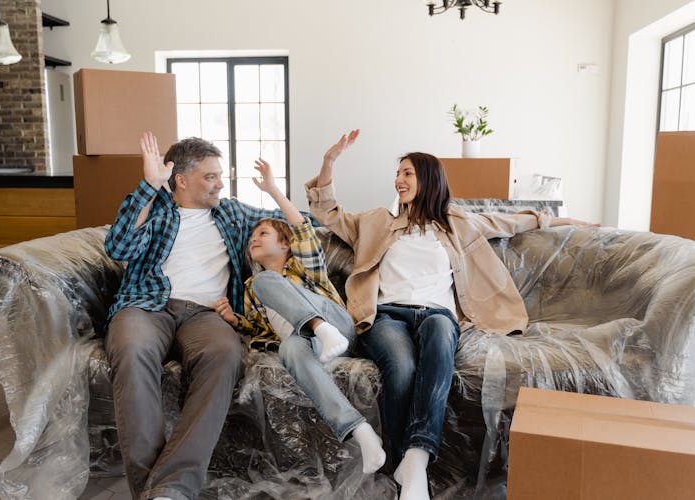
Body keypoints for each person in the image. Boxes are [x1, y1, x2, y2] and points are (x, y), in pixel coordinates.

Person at [305, 130, 595, 500]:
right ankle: (404, 473)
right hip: (387, 315)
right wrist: (330, 162)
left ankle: (416, 458)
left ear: (429, 179)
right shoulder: (376, 221)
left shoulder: (457, 223)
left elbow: (513, 221)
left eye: (408, 173)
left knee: (442, 338)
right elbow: (326, 212)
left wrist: (568, 223)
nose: (399, 180)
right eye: (398, 174)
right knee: (402, 367)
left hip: (437, 314)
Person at [104, 132, 292, 500]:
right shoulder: (155, 208)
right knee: (130, 349)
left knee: (225, 355)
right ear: (181, 180)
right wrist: (147, 186)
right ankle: (157, 491)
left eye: (220, 175)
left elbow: (300, 226)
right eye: (211, 176)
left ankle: (170, 487)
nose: (221, 183)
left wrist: (273, 190)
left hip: (207, 314)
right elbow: (118, 246)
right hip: (146, 304)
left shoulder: (232, 212)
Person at [214, 158, 387, 475]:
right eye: (253, 235)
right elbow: (258, 328)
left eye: (263, 233)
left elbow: (303, 229)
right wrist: (234, 320)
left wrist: (272, 190)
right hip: (307, 342)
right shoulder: (253, 288)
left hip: (337, 326)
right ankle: (360, 431)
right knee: (289, 348)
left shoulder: (305, 267)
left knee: (269, 280)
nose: (254, 238)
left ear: (285, 245)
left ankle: (321, 328)